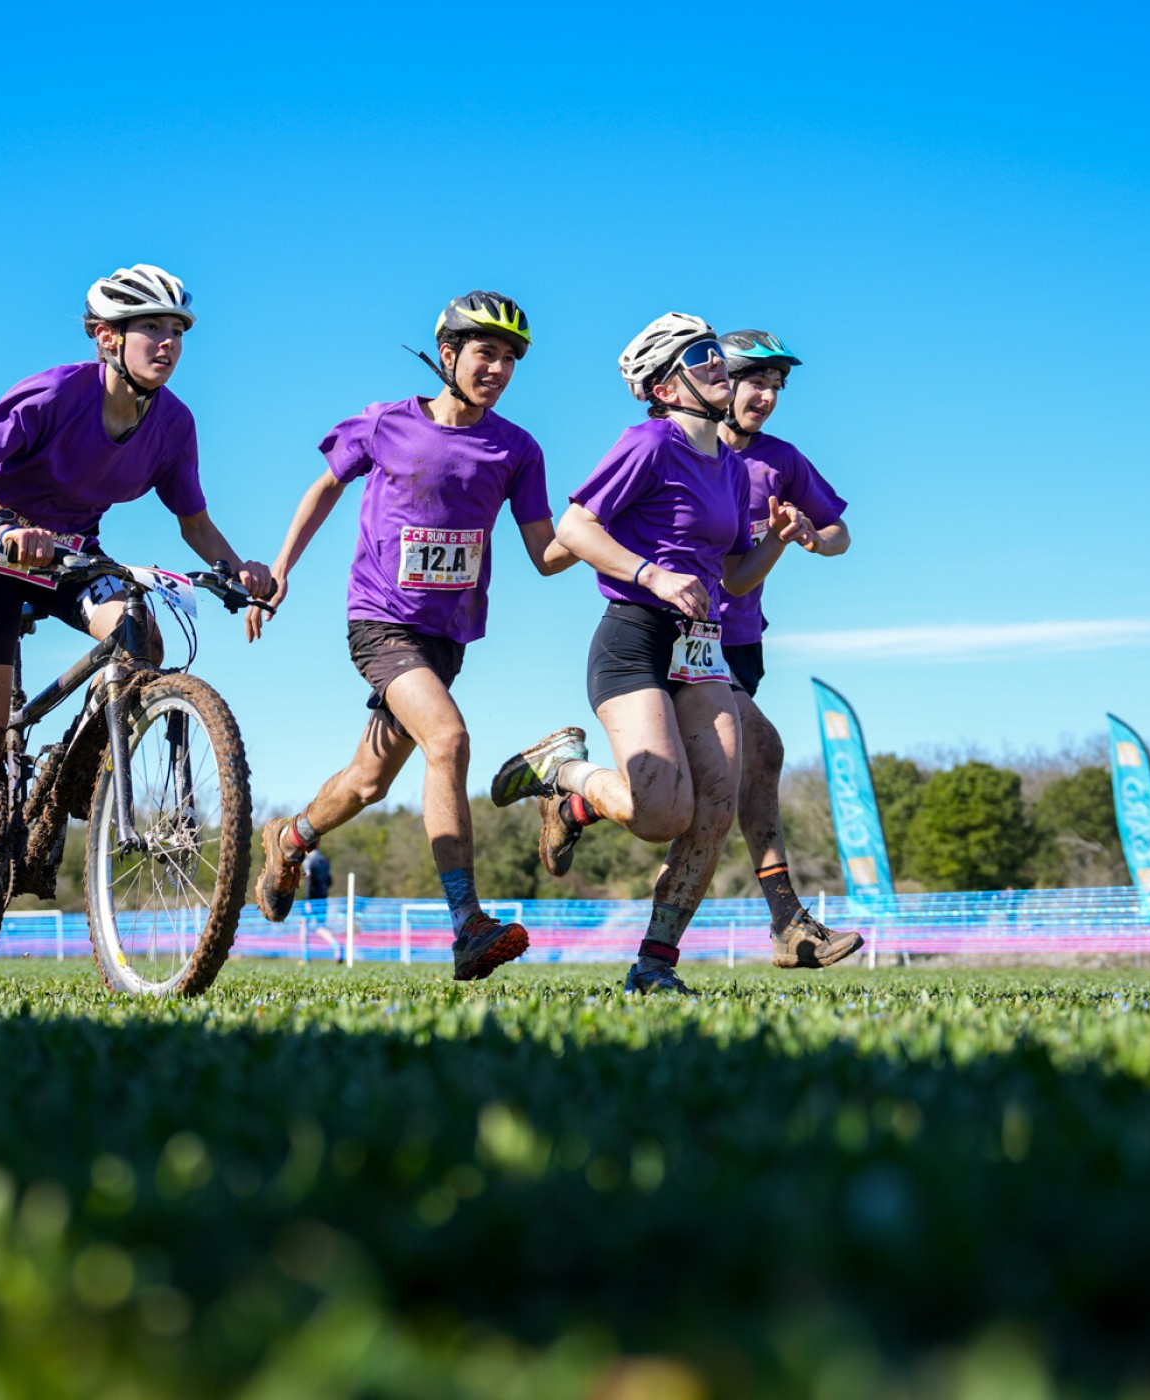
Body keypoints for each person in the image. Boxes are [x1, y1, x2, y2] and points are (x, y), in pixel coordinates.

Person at [0, 264, 274, 992]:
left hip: (72, 560)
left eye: (177, 330)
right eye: (152, 327)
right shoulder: (57, 394)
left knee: (139, 635)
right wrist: (5, 523)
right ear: (106, 337)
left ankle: (66, 793)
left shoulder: (173, 423)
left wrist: (235, 566)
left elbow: (193, 520)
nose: (168, 342)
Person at [247, 292, 573, 980]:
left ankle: (290, 838)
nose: (499, 369)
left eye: (511, 359)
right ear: (448, 355)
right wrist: (280, 569)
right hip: (380, 623)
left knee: (368, 782)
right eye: (486, 353)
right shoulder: (386, 423)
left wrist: (606, 525)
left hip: (445, 640)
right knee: (449, 740)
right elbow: (324, 490)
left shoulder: (518, 449)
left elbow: (546, 554)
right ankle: (467, 924)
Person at [491, 313, 813, 994]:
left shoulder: (729, 465)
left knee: (715, 806)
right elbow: (577, 528)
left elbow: (732, 577)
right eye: (700, 358)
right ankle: (565, 773)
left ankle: (653, 966)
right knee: (661, 814)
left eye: (714, 352)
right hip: (634, 634)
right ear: (665, 387)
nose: (718, 364)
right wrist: (651, 574)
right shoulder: (646, 443)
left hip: (702, 650)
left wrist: (779, 538)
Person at [712, 330, 865, 970]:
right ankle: (788, 922)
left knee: (698, 794)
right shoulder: (684, 452)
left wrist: (809, 536)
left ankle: (573, 796)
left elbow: (841, 533)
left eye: (776, 387)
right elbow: (731, 574)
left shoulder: (781, 460)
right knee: (762, 752)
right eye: (756, 382)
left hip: (743, 643)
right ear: (719, 382)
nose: (767, 397)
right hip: (677, 637)